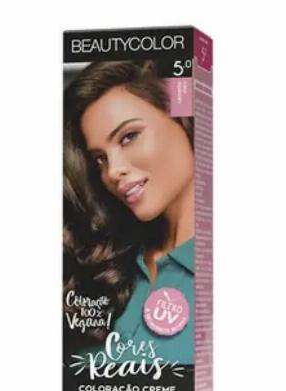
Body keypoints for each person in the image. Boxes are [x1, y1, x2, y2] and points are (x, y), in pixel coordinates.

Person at [63, 60, 195, 364]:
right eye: (99, 159)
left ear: (183, 119)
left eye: (128, 136)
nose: (113, 171)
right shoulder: (106, 268)